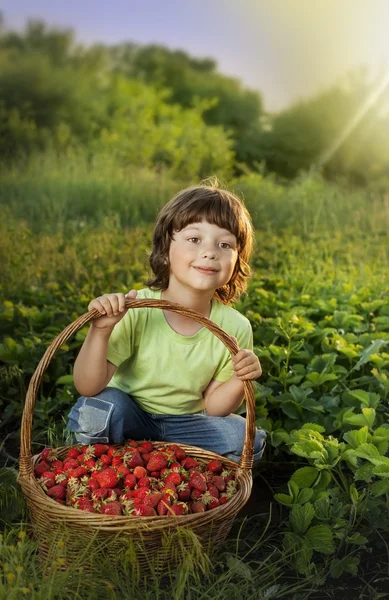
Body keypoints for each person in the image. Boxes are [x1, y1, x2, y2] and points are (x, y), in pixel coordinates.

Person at [67, 182, 266, 463]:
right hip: (131, 415)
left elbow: (215, 406)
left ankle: (157, 460)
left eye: (224, 244)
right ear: (165, 247)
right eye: (194, 239)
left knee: (245, 438)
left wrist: (239, 377)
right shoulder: (136, 309)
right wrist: (101, 331)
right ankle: (118, 463)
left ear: (237, 259)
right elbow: (87, 386)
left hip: (187, 424)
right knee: (99, 410)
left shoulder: (235, 326)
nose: (210, 252)